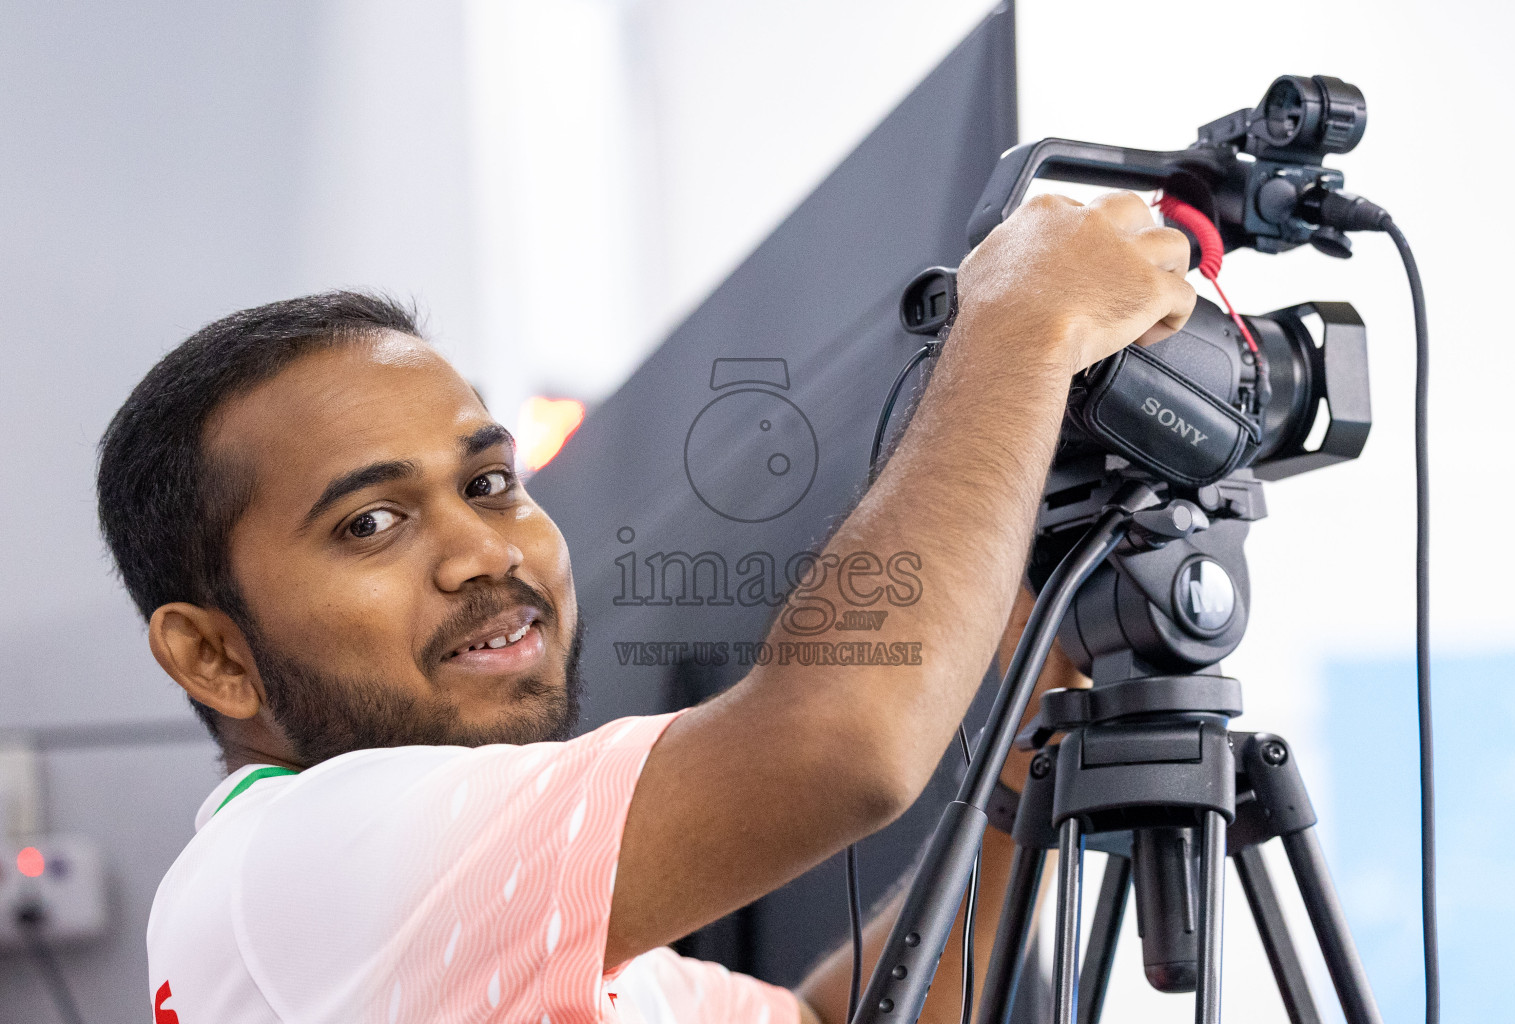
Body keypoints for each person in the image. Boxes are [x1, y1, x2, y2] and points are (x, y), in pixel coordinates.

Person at [98, 191, 1193, 1023]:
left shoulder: (450, 923)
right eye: (370, 524)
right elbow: (839, 746)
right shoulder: (305, 859)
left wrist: (1019, 790)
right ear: (212, 655)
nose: (482, 549)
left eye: (489, 485)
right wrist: (1018, 329)